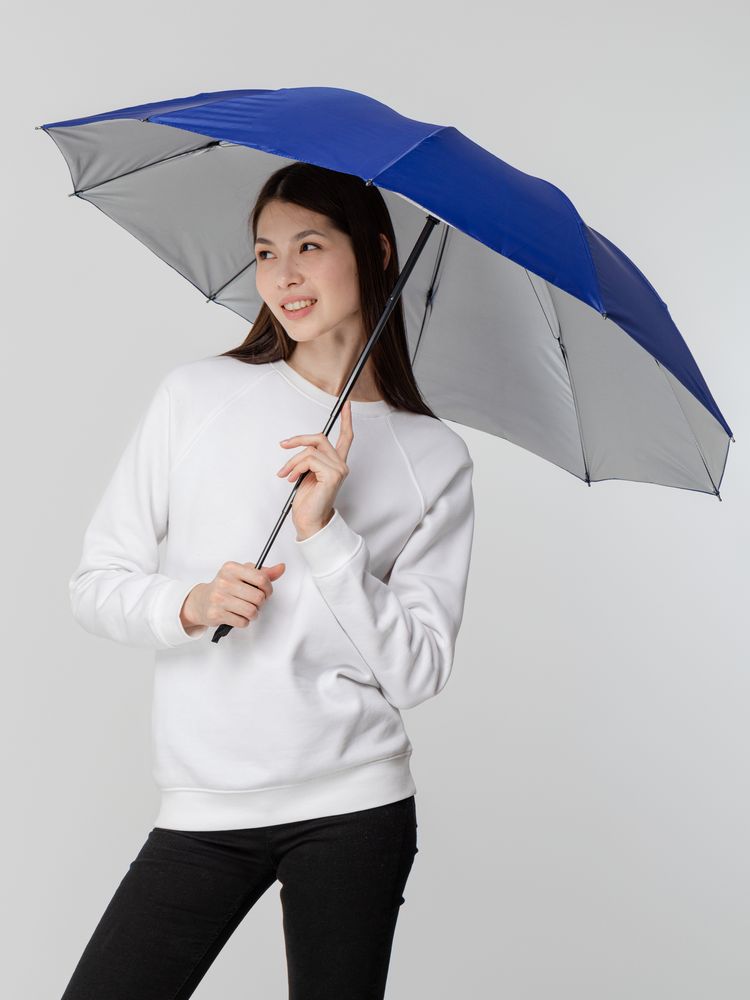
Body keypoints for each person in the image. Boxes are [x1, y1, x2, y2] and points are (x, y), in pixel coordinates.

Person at [60, 163, 476, 1000]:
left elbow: (418, 672)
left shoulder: (434, 457)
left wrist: (326, 533)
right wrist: (189, 603)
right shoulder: (196, 396)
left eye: (310, 246)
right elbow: (95, 583)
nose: (283, 275)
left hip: (356, 808)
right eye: (265, 252)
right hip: (204, 805)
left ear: (377, 254)